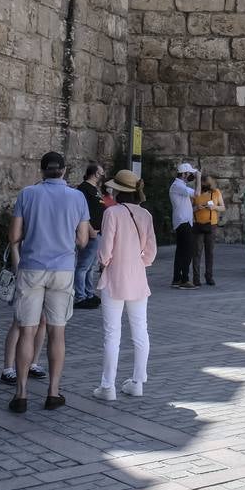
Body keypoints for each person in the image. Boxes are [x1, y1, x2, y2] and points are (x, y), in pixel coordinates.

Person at [8, 152, 90, 413]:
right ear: (64, 171)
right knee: (57, 332)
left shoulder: (27, 194)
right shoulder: (78, 197)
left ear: (42, 170)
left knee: (27, 331)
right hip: (63, 269)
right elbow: (84, 239)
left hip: (32, 267)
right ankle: (53, 392)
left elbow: (14, 235)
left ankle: (20, 393)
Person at [93, 170, 157, 401]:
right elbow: (151, 253)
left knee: (112, 334)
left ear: (118, 190)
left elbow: (105, 251)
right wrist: (138, 263)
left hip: (114, 277)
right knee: (140, 331)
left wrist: (106, 261)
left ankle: (107, 386)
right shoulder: (146, 215)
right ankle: (138, 381)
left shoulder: (112, 213)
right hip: (138, 277)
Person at [74, 162, 106, 308]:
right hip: (91, 232)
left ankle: (89, 292)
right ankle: (80, 296)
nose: (103, 174)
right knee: (83, 265)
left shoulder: (95, 189)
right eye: (101, 172)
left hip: (98, 232)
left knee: (91, 266)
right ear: (95, 173)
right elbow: (81, 210)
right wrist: (90, 229)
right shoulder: (83, 189)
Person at [169, 162, 198, 289]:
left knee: (181, 251)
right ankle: (184, 279)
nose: (192, 175)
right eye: (190, 174)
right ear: (184, 174)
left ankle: (177, 279)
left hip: (184, 221)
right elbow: (197, 194)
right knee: (187, 251)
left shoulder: (180, 185)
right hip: (183, 222)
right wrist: (199, 178)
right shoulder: (177, 185)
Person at [192, 175, 222, 286]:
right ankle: (196, 278)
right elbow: (189, 209)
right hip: (198, 225)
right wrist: (196, 208)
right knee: (197, 252)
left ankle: (209, 276)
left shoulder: (216, 192)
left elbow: (222, 207)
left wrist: (214, 207)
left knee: (210, 252)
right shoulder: (195, 194)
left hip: (211, 225)